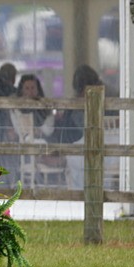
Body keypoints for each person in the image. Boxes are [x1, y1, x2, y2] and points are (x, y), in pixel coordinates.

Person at [51, 64, 104, 192]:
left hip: (72, 149)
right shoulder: (80, 108)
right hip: (77, 151)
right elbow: (88, 131)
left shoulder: (73, 105)